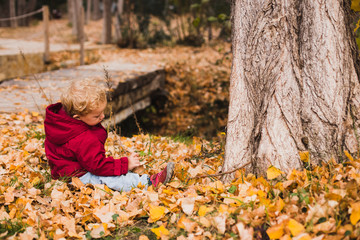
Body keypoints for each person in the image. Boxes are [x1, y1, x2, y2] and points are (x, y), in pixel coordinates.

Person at [44, 79, 175, 192]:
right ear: (77, 117)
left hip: (63, 172)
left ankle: (134, 177)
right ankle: (149, 183)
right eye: (96, 116)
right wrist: (125, 164)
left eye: (102, 112)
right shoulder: (83, 138)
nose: (102, 116)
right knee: (109, 178)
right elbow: (97, 166)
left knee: (109, 170)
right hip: (77, 178)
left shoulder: (61, 122)